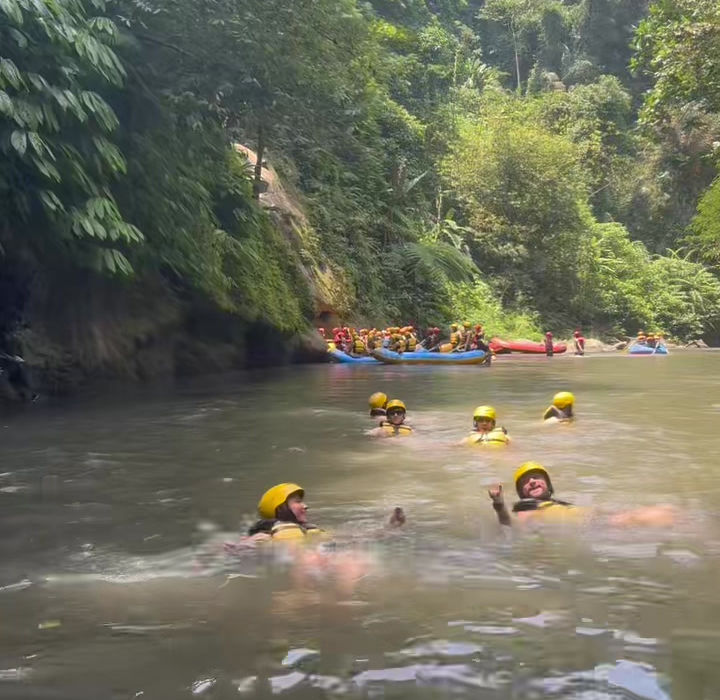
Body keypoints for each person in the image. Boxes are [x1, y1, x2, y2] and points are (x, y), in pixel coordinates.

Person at [488, 462, 677, 529]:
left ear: (549, 485)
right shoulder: (525, 511)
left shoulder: (556, 503)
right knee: (648, 516)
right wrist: (499, 504)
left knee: (666, 509)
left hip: (596, 521)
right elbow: (509, 524)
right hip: (595, 528)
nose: (532, 482)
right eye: (525, 482)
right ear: (521, 493)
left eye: (537, 477)